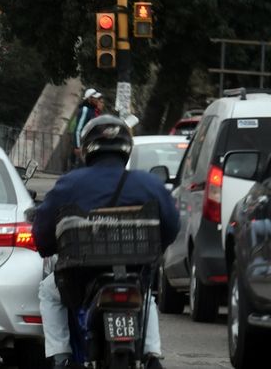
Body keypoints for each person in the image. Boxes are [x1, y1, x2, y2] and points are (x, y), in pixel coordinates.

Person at [32, 115, 179, 369]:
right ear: (126, 148)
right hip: (134, 270)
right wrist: (156, 248)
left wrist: (46, 246)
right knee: (146, 296)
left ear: (87, 148)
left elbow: (43, 231)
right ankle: (152, 356)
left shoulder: (69, 183)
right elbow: (172, 226)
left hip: (80, 276)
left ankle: (62, 357)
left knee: (48, 291)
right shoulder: (149, 184)